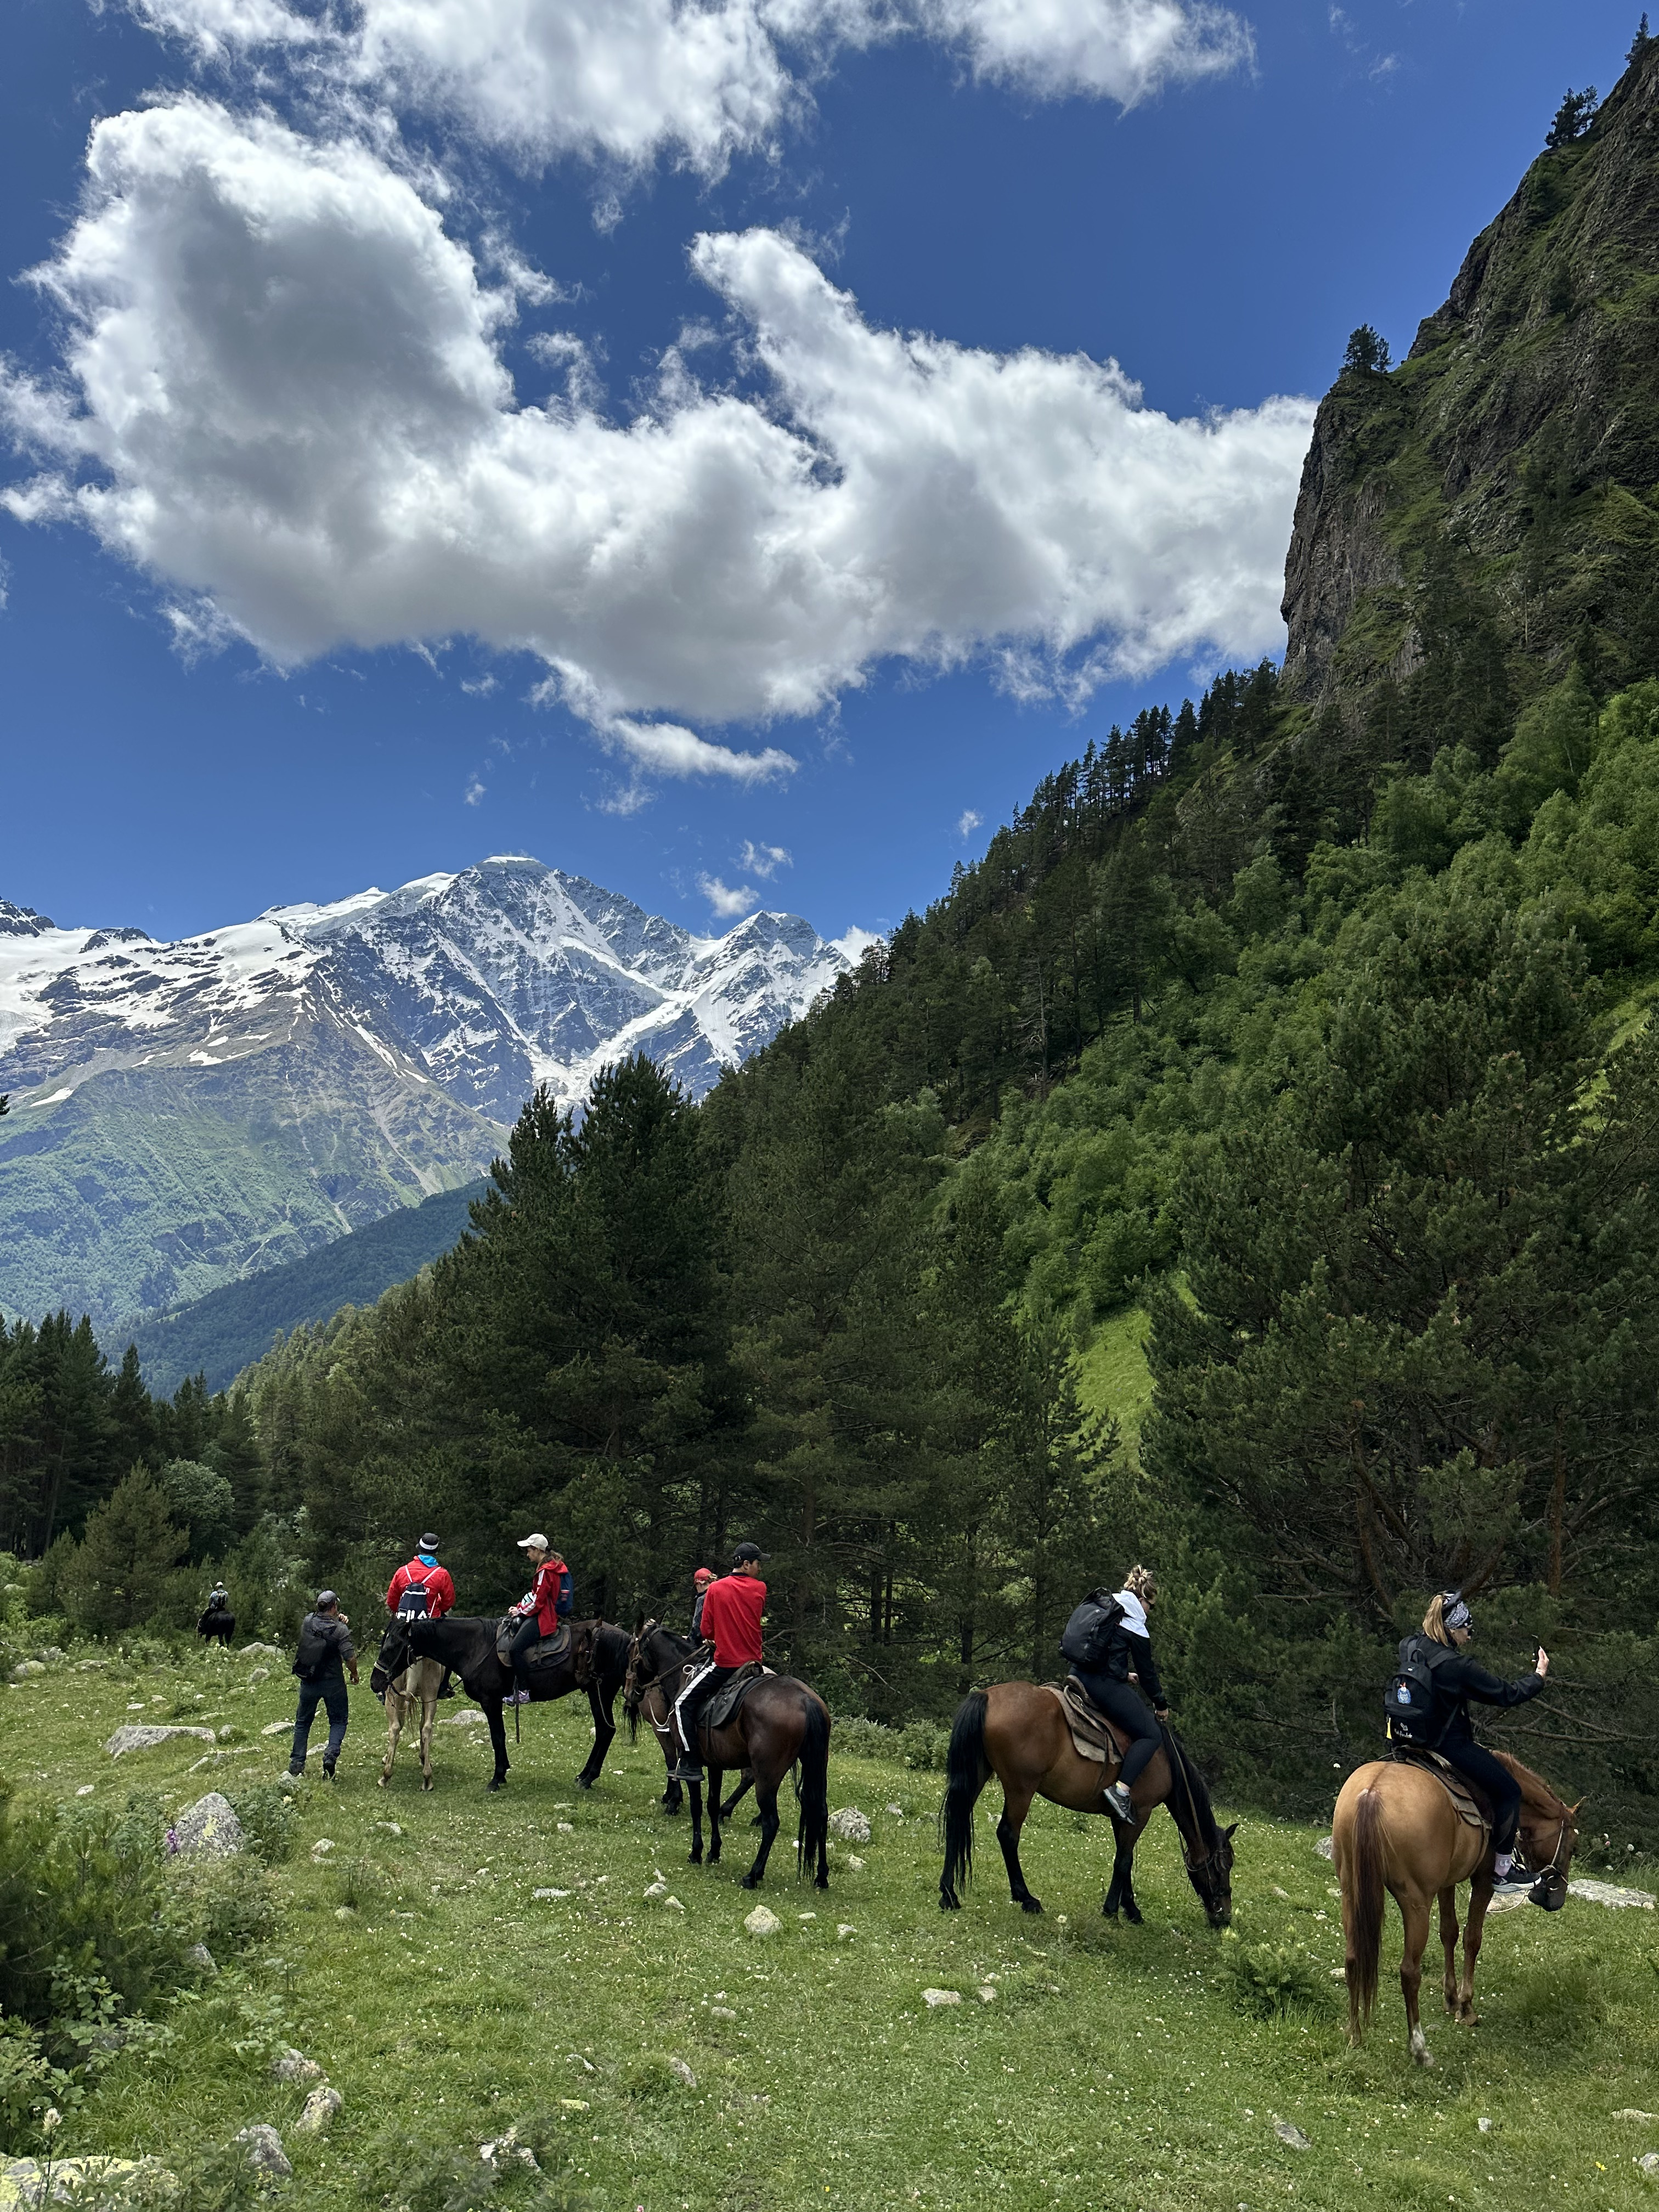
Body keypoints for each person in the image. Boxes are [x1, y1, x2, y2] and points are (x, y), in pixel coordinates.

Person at [1404, 1590, 1548, 1897]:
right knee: (1510, 1790)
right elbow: (1505, 1694)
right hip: (1447, 1745)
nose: (1470, 1635)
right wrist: (1538, 1677)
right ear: (1452, 1628)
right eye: (1467, 1629)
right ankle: (1503, 1871)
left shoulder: (1410, 1646)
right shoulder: (1458, 1667)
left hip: (1406, 1740)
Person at [1066, 1564, 1168, 1824]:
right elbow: (1148, 1675)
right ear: (1143, 1600)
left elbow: (1102, 1650)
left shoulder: (1109, 1605)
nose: (1150, 1612)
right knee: (1150, 1734)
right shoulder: (1135, 1622)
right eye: (1151, 1606)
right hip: (1102, 1685)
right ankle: (1121, 1790)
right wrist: (1160, 1704)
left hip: (1078, 1673)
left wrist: (1123, 1675)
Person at [672, 1543, 766, 1783]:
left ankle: (691, 1763)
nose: (760, 1568)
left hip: (726, 1664)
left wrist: (715, 1638)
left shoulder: (715, 1590)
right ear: (746, 1564)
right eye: (758, 1563)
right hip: (753, 1665)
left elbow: (705, 1631)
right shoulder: (760, 1589)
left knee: (682, 1703)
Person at [289, 1590, 358, 1779]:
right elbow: (350, 1657)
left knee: (303, 1722)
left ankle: (296, 1764)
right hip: (333, 1683)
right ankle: (330, 1755)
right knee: (338, 1721)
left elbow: (319, 1626)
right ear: (334, 1606)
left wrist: (337, 1619)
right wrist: (354, 1673)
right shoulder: (340, 1630)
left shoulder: (307, 1621)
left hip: (309, 1681)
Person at [505, 1532, 572, 1707]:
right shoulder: (552, 1566)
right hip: (546, 1614)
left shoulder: (546, 1571)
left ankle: (523, 1692)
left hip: (544, 1618)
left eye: (529, 1550)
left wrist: (519, 1612)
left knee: (515, 1650)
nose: (528, 1554)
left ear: (537, 1550)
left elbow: (538, 1602)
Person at [386, 1533, 456, 1621]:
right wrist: (437, 1610)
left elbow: (391, 1601)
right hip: (430, 1624)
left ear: (419, 1549)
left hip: (404, 1625)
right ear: (436, 1552)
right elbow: (449, 1602)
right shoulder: (442, 1574)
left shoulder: (402, 1571)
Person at [690, 1565, 716, 1639]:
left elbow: (697, 1627)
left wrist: (690, 1642)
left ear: (699, 1584)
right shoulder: (720, 1594)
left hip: (709, 1640)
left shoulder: (702, 1599)